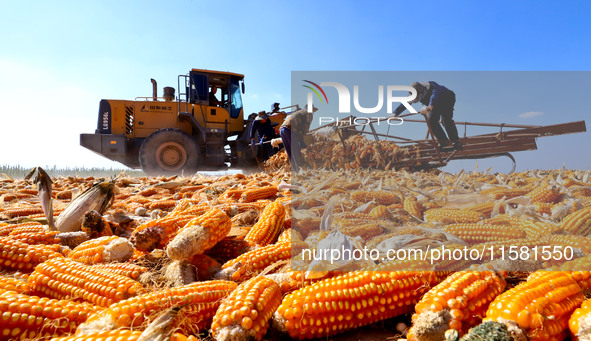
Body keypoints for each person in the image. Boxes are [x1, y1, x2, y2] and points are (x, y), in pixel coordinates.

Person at [393, 81, 462, 150]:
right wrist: (395, 113)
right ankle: (443, 141)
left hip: (446, 98)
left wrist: (429, 107)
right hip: (433, 104)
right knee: (431, 121)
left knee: (446, 120)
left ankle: (456, 141)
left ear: (421, 91)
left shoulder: (432, 87)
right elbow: (405, 103)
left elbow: (435, 95)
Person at [279, 105, 316, 172]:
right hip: (289, 130)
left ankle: (295, 170)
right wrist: (302, 141)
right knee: (295, 150)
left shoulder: (299, 112)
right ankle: (300, 169)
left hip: (282, 129)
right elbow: (304, 128)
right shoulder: (307, 114)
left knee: (290, 151)